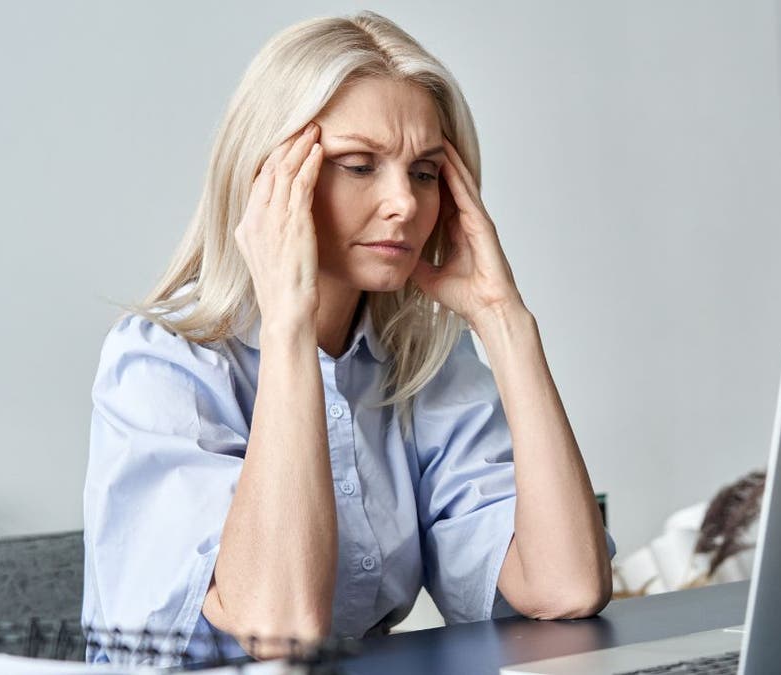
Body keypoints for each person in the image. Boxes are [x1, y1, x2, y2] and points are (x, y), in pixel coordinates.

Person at [82, 11, 614, 665]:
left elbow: (566, 586)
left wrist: (505, 320)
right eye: (359, 165)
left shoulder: (422, 360)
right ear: (268, 178)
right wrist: (288, 325)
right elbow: (279, 626)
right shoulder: (159, 361)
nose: (404, 204)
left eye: (423, 173)